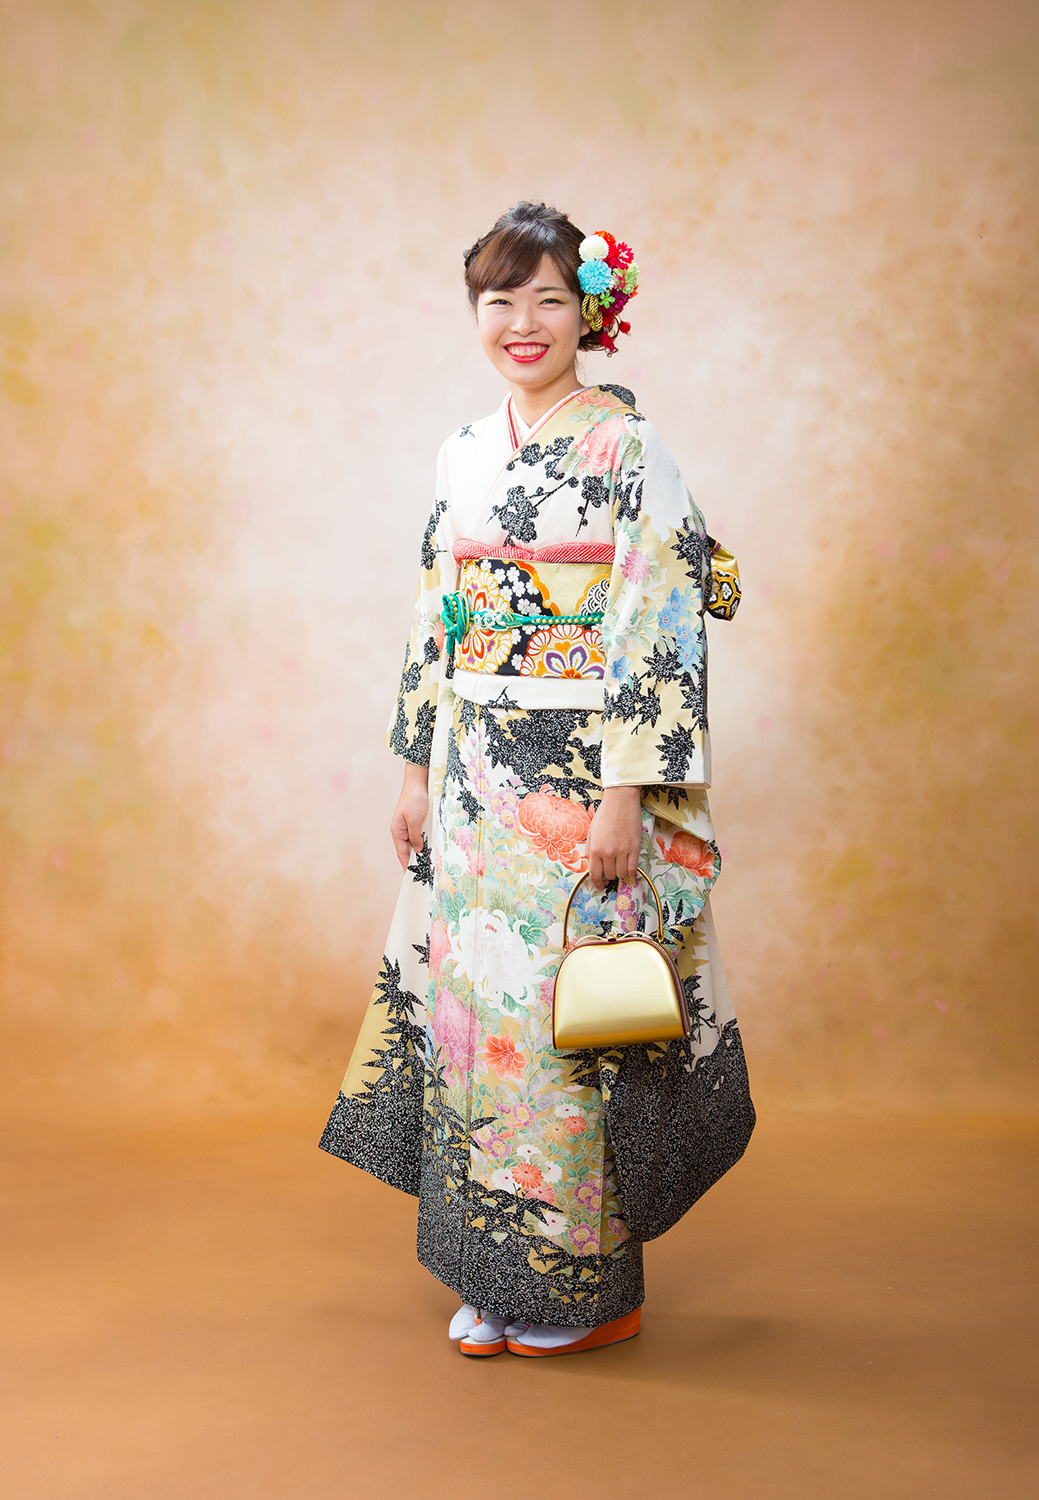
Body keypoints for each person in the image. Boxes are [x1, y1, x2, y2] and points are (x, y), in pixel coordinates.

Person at [320, 201, 755, 1358]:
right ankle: (488, 1273)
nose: (522, 321)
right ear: (475, 313)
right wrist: (414, 769)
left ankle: (582, 1291)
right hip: (474, 774)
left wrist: (624, 796)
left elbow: (663, 618)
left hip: (577, 771)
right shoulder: (462, 450)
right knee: (480, 1019)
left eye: (548, 298)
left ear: (588, 315)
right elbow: (436, 611)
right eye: (499, 300)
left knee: (568, 1029)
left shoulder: (629, 448)